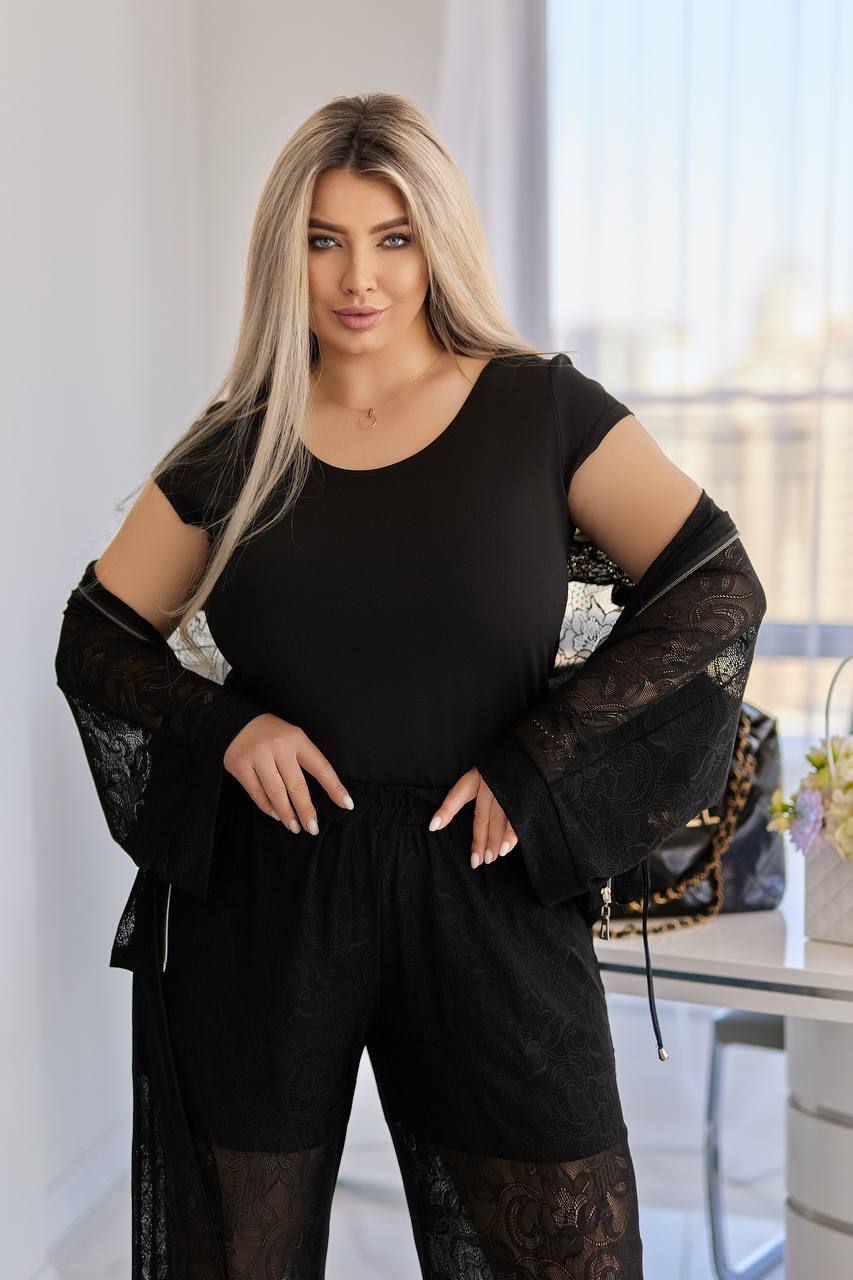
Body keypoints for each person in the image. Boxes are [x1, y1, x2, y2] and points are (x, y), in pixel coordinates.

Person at [54, 91, 766, 1279]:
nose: (358, 277)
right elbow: (96, 639)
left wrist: (541, 761)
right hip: (268, 907)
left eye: (392, 236)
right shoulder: (239, 443)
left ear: (437, 240)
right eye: (323, 239)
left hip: (489, 889)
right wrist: (227, 725)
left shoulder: (541, 409)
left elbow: (716, 591)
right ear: (284, 253)